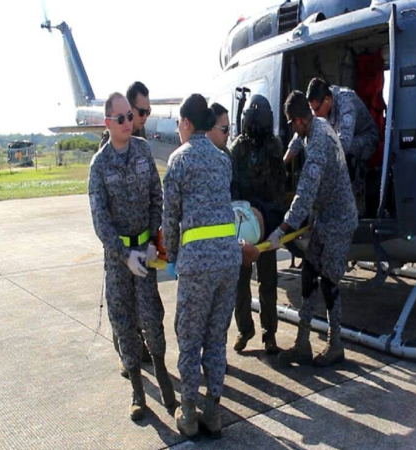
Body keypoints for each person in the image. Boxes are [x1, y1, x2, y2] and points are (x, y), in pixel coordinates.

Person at [88, 92, 175, 421]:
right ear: (109, 123)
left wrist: (155, 238)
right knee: (124, 324)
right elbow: (101, 220)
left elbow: (157, 196)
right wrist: (124, 255)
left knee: (152, 319)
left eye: (131, 116)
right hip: (118, 259)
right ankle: (138, 393)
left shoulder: (142, 152)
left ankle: (164, 379)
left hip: (146, 251)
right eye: (122, 118)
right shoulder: (99, 165)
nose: (129, 123)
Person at [163, 94, 241, 439]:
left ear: (186, 123)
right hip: (228, 261)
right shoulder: (223, 159)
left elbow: (171, 216)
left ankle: (189, 415)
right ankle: (214, 412)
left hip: (197, 265)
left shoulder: (178, 160)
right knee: (216, 338)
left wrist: (173, 257)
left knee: (190, 339)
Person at [270, 91, 357, 368]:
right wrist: (282, 162)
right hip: (326, 218)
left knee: (329, 283)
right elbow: (297, 140)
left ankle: (335, 345)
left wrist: (281, 230)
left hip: (339, 220)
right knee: (308, 274)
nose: (292, 129)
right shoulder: (314, 123)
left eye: (291, 123)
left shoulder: (319, 142)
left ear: (298, 119)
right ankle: (303, 344)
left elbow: (305, 193)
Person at [101, 81, 154, 379]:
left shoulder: (141, 141)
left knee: (143, 302)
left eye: (146, 112)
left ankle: (140, 346)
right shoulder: (108, 149)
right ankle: (124, 351)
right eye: (138, 112)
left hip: (141, 240)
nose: (142, 118)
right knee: (120, 304)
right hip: (116, 245)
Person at [228, 94, 287, 354]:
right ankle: (245, 329)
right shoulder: (236, 149)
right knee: (240, 282)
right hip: (244, 223)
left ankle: (269, 333)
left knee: (268, 281)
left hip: (267, 223)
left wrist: (275, 221)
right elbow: (231, 189)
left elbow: (280, 184)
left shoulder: (274, 146)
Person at [284, 78, 379, 216]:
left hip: (365, 139)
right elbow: (299, 136)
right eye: (312, 110)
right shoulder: (319, 106)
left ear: (327, 99)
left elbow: (344, 144)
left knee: (345, 160)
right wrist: (284, 161)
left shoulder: (346, 101)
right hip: (340, 141)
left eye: (316, 109)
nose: (315, 114)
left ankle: (358, 209)